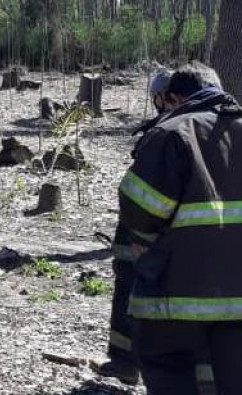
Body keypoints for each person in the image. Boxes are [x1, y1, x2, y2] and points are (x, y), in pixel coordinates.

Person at [118, 62, 242, 394]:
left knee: (170, 370)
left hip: (176, 298)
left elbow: (139, 206)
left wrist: (143, 243)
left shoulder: (173, 133)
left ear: (174, 97)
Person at [97, 68, 175, 385]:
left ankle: (127, 363)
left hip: (140, 236)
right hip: (164, 238)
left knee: (129, 297)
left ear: (162, 97)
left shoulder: (162, 134)